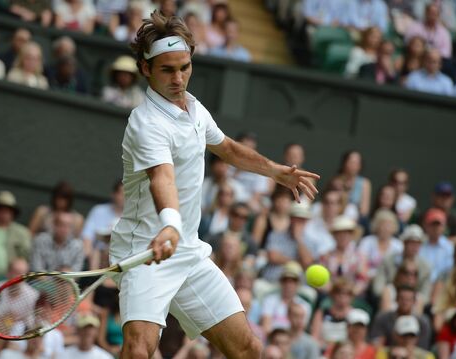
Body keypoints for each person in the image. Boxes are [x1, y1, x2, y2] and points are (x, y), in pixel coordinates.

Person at [109, 11, 319, 358]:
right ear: (145, 69)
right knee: (139, 352)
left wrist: (276, 171)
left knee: (248, 348)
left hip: (187, 252)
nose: (179, 78)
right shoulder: (145, 123)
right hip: (146, 253)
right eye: (167, 69)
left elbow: (227, 148)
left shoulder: (193, 107)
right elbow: (163, 177)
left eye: (185, 67)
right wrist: (171, 226)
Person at [372, 224, 432, 305]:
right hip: (389, 298)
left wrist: (409, 299)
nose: (414, 247)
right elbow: (378, 287)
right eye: (411, 243)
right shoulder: (388, 260)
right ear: (404, 243)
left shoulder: (425, 268)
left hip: (413, 302)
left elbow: (425, 295)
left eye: (417, 244)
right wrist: (389, 295)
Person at [370, 285, 433, 350]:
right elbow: (375, 344)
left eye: (408, 299)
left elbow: (422, 349)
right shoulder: (382, 318)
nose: (405, 302)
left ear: (414, 302)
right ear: (396, 299)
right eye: (402, 299)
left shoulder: (423, 322)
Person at [260, 261, 313, 336]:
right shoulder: (269, 300)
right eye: (285, 280)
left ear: (298, 284)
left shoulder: (305, 306)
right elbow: (266, 326)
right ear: (281, 282)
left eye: (293, 281)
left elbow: (299, 331)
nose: (288, 284)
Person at [320, 216, 369, 296]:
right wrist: (333, 292)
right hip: (330, 295)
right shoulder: (325, 256)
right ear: (334, 236)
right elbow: (322, 280)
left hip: (353, 296)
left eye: (347, 233)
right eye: (339, 233)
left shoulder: (360, 256)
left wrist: (351, 293)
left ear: (352, 236)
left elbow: (363, 279)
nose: (343, 236)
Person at [81, 180, 124, 257]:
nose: (124, 197)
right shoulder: (98, 211)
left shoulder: (134, 217)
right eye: (121, 193)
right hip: (97, 257)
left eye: (127, 194)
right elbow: (87, 237)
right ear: (113, 194)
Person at [310, 278, 355, 348]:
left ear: (352, 297)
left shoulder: (354, 315)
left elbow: (354, 341)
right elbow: (314, 337)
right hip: (323, 350)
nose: (342, 296)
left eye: (347, 293)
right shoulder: (321, 313)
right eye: (339, 292)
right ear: (333, 294)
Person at [358, 209, 403, 280]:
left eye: (389, 225)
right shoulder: (367, 241)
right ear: (377, 226)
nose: (385, 228)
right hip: (367, 279)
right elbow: (361, 264)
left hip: (389, 280)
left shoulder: (398, 245)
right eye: (383, 225)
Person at [419, 208, 454, 283]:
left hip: (440, 285)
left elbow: (448, 271)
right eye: (432, 224)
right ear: (425, 225)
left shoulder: (449, 247)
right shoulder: (419, 243)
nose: (435, 228)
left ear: (444, 227)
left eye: (438, 225)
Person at [336, 150, 371, 218]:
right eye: (351, 162)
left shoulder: (365, 183)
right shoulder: (336, 181)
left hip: (356, 220)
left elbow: (364, 211)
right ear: (344, 163)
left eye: (357, 163)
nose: (353, 165)